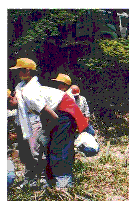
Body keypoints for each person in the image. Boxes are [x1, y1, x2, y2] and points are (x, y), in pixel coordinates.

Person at [8, 59, 89, 190]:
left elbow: (52, 116)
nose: (9, 108)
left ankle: (64, 184)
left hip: (63, 109)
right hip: (57, 110)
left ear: (27, 71)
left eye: (19, 70)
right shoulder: (21, 89)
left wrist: (46, 132)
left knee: (59, 147)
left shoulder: (29, 94)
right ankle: (51, 182)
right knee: (50, 147)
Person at [8, 62, 47, 188]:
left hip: (33, 122)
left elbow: (41, 107)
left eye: (20, 70)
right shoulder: (20, 86)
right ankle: (29, 179)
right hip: (21, 122)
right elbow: (15, 103)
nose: (18, 73)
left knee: (36, 152)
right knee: (25, 154)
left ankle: (43, 179)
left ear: (28, 71)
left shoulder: (35, 87)